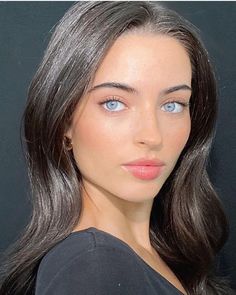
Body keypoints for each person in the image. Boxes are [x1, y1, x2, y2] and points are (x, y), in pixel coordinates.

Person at [0, 2, 234, 295]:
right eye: (114, 103)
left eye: (172, 105)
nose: (152, 135)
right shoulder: (92, 267)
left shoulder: (160, 258)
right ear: (64, 122)